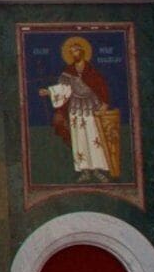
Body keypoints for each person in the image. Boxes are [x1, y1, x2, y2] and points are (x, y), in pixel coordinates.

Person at [43, 34, 122, 180]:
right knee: (79, 138)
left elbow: (101, 87)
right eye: (72, 52)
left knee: (95, 137)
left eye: (76, 51)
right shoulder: (69, 71)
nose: (74, 54)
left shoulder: (91, 70)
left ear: (83, 52)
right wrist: (49, 91)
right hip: (76, 109)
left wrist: (104, 104)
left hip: (92, 107)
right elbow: (63, 88)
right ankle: (85, 170)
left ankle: (98, 170)